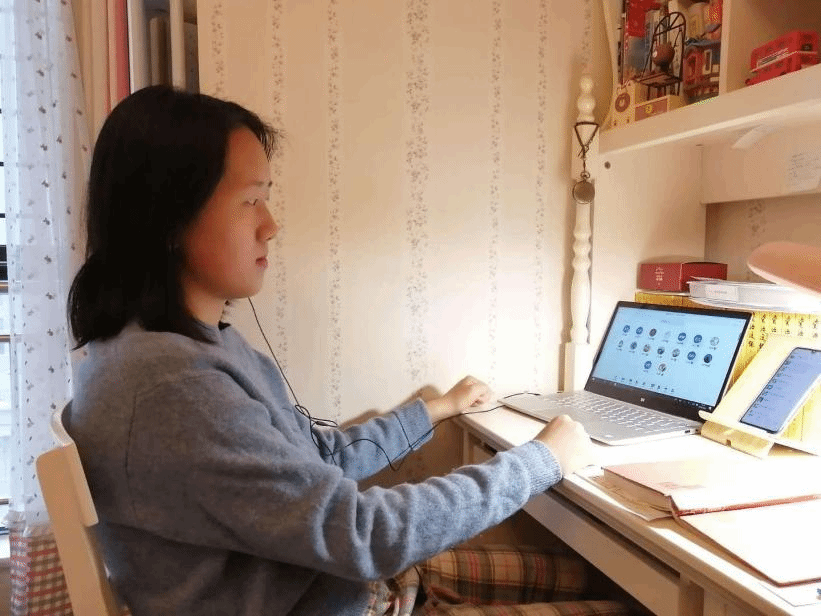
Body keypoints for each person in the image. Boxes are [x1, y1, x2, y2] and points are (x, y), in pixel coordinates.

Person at [67, 85, 631, 616]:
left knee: (583, 577)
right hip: (342, 598)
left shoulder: (183, 349)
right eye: (250, 201)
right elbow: (364, 534)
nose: (271, 225)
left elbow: (320, 460)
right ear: (169, 217)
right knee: (623, 604)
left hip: (337, 588)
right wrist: (543, 459)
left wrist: (436, 410)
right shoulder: (172, 386)